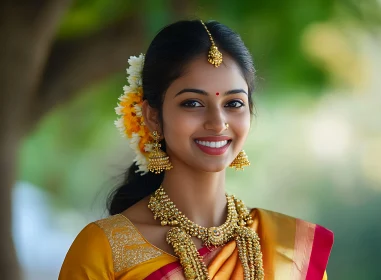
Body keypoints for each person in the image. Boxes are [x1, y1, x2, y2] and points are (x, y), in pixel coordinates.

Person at [59, 19, 333, 280]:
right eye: (192, 103)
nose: (217, 122)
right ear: (153, 116)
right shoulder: (104, 250)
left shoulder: (289, 248)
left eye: (234, 103)